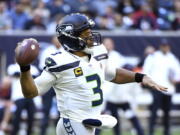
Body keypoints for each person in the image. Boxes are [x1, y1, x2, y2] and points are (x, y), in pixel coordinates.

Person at [15, 13, 167, 135]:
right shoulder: (59, 61)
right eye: (85, 34)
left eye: (90, 32)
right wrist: (24, 68)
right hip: (73, 121)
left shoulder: (98, 51)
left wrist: (140, 77)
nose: (91, 37)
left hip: (91, 121)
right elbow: (31, 92)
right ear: (71, 38)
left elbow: (111, 74)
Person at [96, 38, 144, 135]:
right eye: (106, 44)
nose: (107, 46)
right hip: (108, 96)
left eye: (109, 44)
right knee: (104, 119)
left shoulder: (117, 57)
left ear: (112, 45)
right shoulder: (98, 57)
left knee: (132, 117)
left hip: (121, 96)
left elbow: (126, 68)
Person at [143, 39, 180, 135]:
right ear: (160, 46)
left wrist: (175, 80)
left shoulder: (172, 58)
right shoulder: (153, 56)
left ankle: (166, 132)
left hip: (169, 89)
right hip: (156, 88)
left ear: (169, 47)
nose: (165, 47)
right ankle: (151, 131)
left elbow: (177, 74)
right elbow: (146, 71)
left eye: (166, 46)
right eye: (163, 45)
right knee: (154, 111)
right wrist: (150, 83)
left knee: (167, 113)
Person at [7, 63, 39, 135]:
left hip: (31, 97)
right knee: (16, 118)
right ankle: (14, 133)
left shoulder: (33, 68)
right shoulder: (12, 67)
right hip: (18, 96)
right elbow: (14, 74)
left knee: (31, 118)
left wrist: (22, 74)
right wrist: (28, 75)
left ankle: (29, 133)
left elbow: (36, 77)